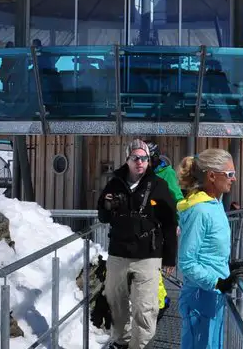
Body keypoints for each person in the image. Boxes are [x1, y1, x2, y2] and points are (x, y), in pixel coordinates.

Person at [97, 142, 179, 349]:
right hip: (118, 254)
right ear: (127, 160)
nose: (140, 162)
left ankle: (139, 346)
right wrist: (107, 207)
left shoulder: (158, 185)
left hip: (148, 256)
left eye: (144, 158)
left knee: (146, 308)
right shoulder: (114, 183)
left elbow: (170, 222)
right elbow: (103, 217)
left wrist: (170, 257)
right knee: (116, 304)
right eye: (135, 158)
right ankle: (123, 343)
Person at [176, 149, 243, 349]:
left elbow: (209, 251)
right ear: (211, 176)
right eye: (229, 174)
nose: (233, 179)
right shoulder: (200, 211)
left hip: (211, 296)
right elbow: (187, 261)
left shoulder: (214, 205)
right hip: (201, 297)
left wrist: (228, 267)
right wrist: (216, 281)